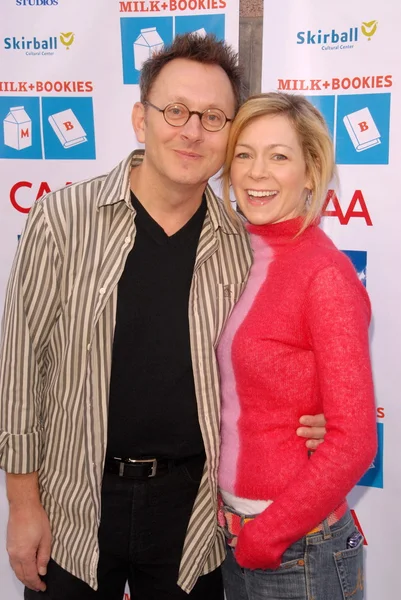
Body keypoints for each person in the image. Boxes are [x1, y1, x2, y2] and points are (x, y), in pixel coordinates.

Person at [0, 37, 325, 600]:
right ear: (140, 119)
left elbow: (267, 358)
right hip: (74, 503)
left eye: (213, 117)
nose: (192, 130)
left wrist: (315, 415)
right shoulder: (63, 218)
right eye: (175, 110)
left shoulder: (244, 248)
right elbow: (20, 367)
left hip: (193, 515)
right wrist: (23, 504)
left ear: (229, 134)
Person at [216, 92, 377, 600]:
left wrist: (267, 535)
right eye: (244, 153)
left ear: (312, 173)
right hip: (234, 539)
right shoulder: (236, 255)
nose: (257, 172)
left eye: (279, 156)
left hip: (296, 552)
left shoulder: (324, 274)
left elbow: (354, 441)